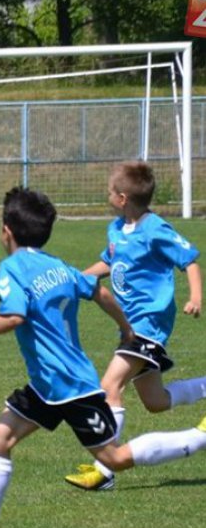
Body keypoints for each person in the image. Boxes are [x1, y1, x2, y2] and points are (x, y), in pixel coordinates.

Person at [0, 187, 206, 528]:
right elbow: (99, 292)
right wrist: (125, 327)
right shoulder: (58, 266)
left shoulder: (11, 268)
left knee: (115, 459)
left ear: (6, 230)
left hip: (72, 387)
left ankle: (201, 438)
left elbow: (14, 315)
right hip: (46, 385)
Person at [65, 161, 205, 491]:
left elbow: (190, 260)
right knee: (155, 401)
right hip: (129, 326)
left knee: (110, 385)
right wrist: (77, 279)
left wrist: (196, 296)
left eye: (111, 191)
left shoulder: (155, 229)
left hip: (149, 324)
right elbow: (109, 260)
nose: (107, 195)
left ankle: (105, 469)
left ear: (123, 197)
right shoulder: (117, 228)